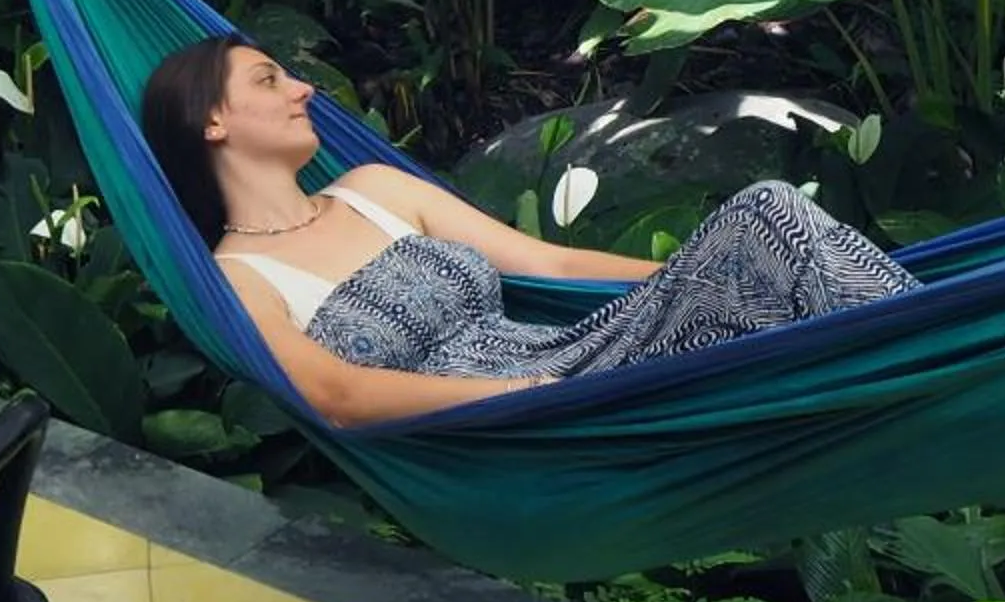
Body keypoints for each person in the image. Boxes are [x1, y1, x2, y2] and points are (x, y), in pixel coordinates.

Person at [139, 36, 917, 425]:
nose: (305, 88)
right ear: (210, 120)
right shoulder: (241, 277)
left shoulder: (372, 190)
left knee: (766, 217)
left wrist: (689, 279)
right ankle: (927, 349)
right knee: (770, 210)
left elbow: (550, 260)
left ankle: (945, 336)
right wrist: (517, 396)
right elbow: (334, 395)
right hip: (520, 420)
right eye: (270, 79)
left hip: (581, 361)